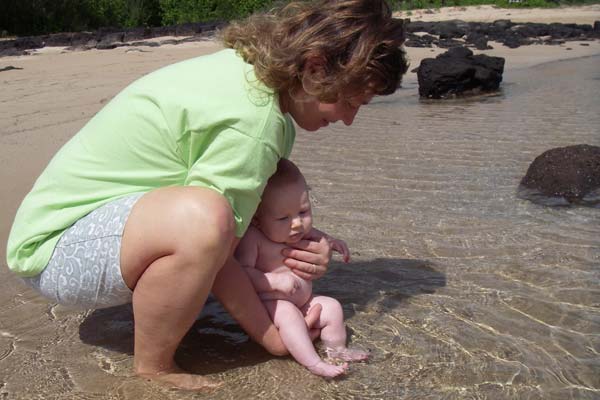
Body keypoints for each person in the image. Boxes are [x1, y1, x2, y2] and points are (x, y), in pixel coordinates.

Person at [6, 0, 408, 391]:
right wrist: (269, 335)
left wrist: (309, 241)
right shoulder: (253, 122)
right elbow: (220, 250)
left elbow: (252, 219)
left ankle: (166, 309)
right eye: (351, 100)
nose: (350, 118)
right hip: (56, 252)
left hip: (98, 231)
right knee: (204, 220)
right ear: (315, 65)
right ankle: (154, 368)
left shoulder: (253, 81)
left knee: (212, 220)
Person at [236, 158, 369, 378]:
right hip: (271, 307)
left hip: (305, 302)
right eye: (282, 218)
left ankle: (337, 350)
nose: (297, 224)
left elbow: (321, 238)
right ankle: (314, 363)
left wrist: (333, 242)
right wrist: (273, 281)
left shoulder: (298, 230)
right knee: (288, 314)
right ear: (257, 220)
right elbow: (241, 274)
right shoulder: (254, 239)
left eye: (303, 212)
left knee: (332, 307)